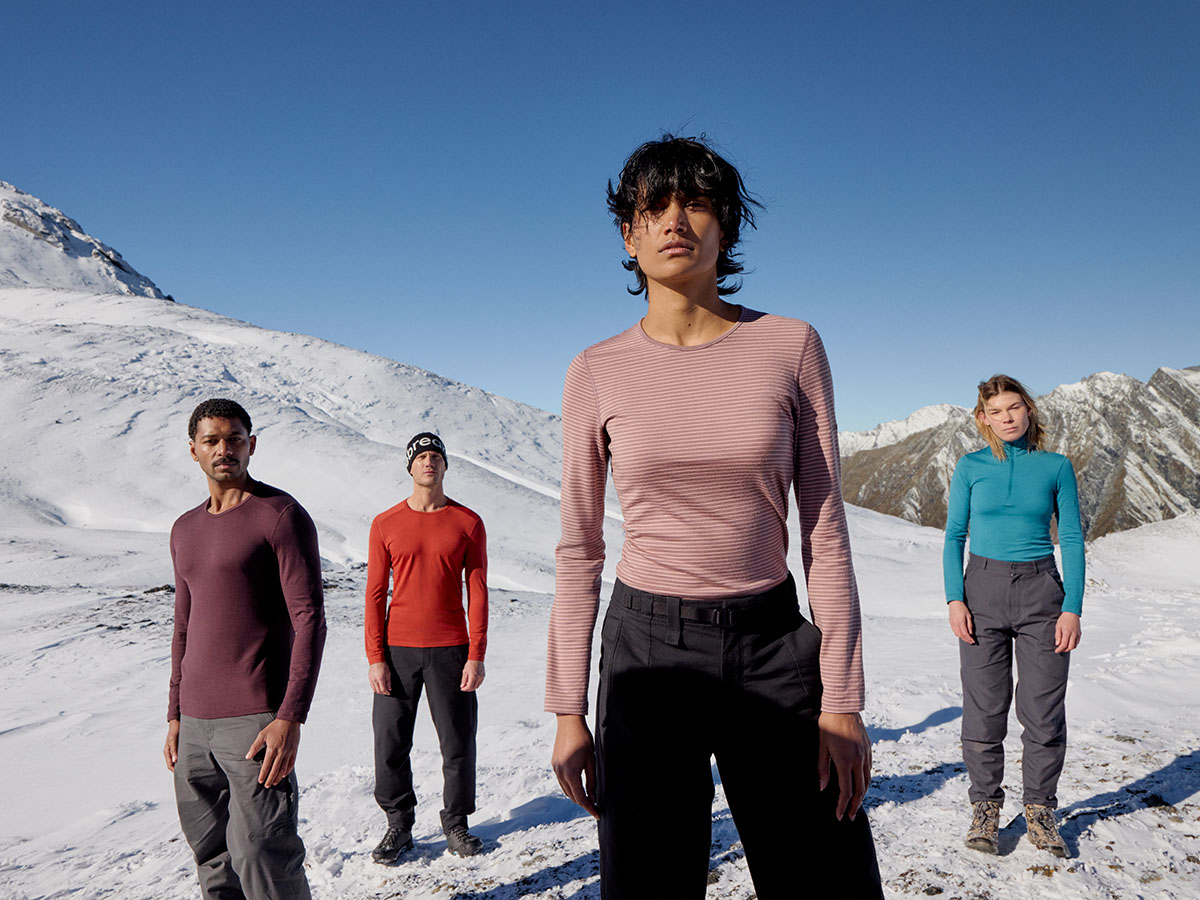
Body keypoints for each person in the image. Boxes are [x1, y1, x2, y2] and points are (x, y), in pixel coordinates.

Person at [546, 135, 883, 899]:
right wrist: (568, 708)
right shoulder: (594, 370)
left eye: (695, 202)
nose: (675, 220)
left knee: (827, 880)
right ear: (628, 237)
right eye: (652, 206)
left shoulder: (792, 347)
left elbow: (825, 532)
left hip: (772, 647)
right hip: (646, 655)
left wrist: (841, 699)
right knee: (650, 886)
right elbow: (579, 548)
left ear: (725, 225)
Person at [163, 398, 327, 900]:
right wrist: (174, 713)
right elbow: (184, 625)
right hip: (193, 724)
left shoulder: (279, 516)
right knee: (212, 859)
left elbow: (310, 620)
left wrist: (289, 716)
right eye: (212, 440)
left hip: (256, 720)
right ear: (193, 451)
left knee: (263, 853)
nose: (224, 449)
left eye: (234, 439)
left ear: (251, 445)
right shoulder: (184, 529)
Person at [943, 375, 1084, 858]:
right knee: (983, 710)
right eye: (996, 410)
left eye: (1014, 407)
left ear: (1029, 411)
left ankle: (1041, 810)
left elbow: (1070, 539)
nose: (1007, 417)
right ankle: (985, 807)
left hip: (1042, 592)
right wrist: (954, 598)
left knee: (1043, 712)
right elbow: (953, 536)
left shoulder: (1056, 467)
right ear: (982, 418)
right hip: (979, 590)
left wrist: (1072, 607)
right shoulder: (970, 466)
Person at [366, 432, 489, 862]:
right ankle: (398, 825)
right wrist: (375, 657)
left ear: (445, 465)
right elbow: (375, 594)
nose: (429, 463)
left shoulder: (467, 522)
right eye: (421, 457)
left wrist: (477, 653)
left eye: (436, 456)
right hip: (397, 651)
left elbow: (477, 591)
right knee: (390, 742)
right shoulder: (385, 523)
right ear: (410, 466)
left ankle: (456, 823)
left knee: (457, 743)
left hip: (451, 650)